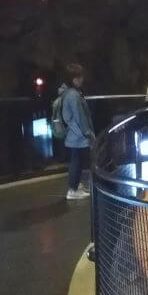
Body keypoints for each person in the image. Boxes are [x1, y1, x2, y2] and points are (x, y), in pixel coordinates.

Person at [61, 62, 95, 200]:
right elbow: (80, 117)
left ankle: (75, 186)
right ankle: (72, 190)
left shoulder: (68, 93)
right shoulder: (73, 95)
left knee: (77, 161)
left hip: (73, 134)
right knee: (76, 162)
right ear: (73, 79)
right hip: (78, 136)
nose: (82, 79)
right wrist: (88, 133)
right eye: (79, 77)